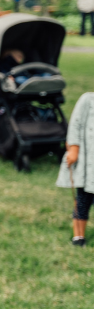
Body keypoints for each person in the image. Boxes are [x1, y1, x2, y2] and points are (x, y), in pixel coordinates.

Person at [58, 92, 94, 246]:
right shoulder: (88, 100)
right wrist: (74, 149)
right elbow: (75, 124)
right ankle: (78, 236)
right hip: (89, 167)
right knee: (82, 201)